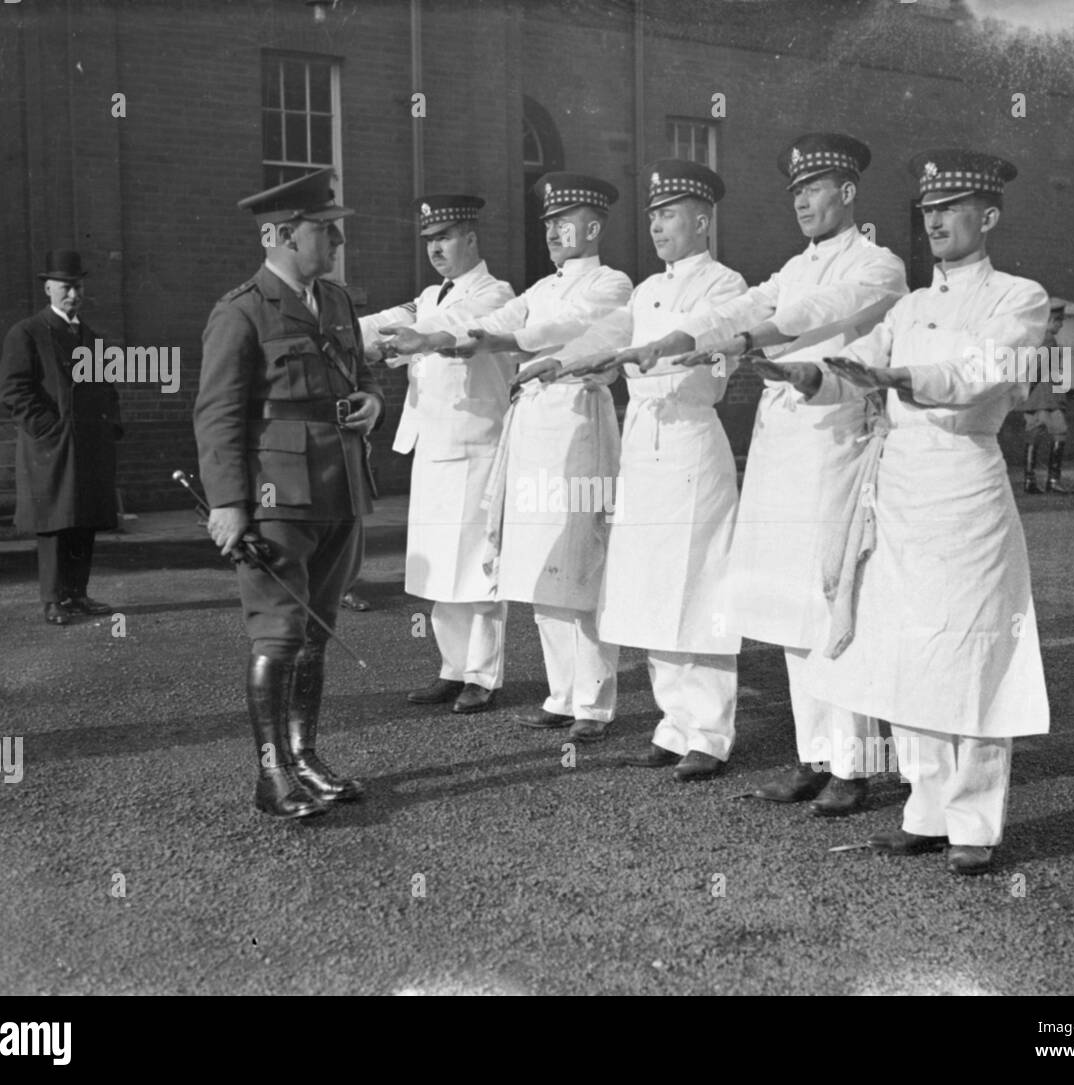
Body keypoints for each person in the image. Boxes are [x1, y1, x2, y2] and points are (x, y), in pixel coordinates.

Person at [778, 149, 1051, 875]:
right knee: (907, 650)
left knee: (966, 650)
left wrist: (901, 374)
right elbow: (858, 366)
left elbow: (983, 373)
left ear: (986, 217)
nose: (933, 221)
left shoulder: (1018, 298)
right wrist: (814, 374)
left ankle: (974, 821)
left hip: (965, 490)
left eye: (949, 209)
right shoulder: (910, 306)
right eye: (927, 211)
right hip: (897, 491)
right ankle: (926, 808)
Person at [623, 134, 908, 813]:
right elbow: (748, 304)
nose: (805, 200)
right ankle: (815, 755)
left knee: (832, 600)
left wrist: (749, 338)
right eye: (797, 191)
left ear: (848, 190)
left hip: (836, 443)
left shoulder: (878, 264)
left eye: (817, 187)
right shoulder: (793, 265)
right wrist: (683, 336)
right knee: (787, 604)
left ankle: (856, 761)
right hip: (783, 447)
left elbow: (811, 314)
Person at [382, 172, 632, 743]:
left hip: (580, 423)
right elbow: (502, 319)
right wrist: (447, 337)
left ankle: (593, 705)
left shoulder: (613, 283)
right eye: (547, 223)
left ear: (593, 226)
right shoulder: (541, 288)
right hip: (534, 431)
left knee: (579, 566)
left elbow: (562, 327)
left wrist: (492, 340)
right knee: (541, 570)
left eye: (563, 222)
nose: (552, 232)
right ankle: (561, 695)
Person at [546, 159, 746, 781]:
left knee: (697, 584)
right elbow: (609, 331)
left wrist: (651, 357)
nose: (657, 226)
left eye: (669, 214)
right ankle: (672, 723)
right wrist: (562, 360)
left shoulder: (725, 283)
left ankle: (709, 734)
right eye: (653, 215)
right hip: (643, 444)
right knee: (653, 585)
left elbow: (714, 353)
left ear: (703, 219)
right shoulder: (646, 290)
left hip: (689, 438)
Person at [194, 168, 384, 820]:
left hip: (339, 488)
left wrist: (374, 402)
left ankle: (304, 757)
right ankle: (271, 775)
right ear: (278, 234)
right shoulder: (242, 310)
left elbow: (358, 371)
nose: (334, 239)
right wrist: (228, 503)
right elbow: (217, 414)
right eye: (322, 230)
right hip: (276, 499)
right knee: (278, 634)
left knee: (316, 632)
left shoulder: (335, 301)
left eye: (333, 229)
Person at [361, 195, 515, 714]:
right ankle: (452, 668)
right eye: (429, 241)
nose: (436, 250)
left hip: (476, 443)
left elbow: (462, 325)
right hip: (433, 444)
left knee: (476, 563)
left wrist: (416, 338)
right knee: (438, 566)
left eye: (445, 238)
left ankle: (482, 676)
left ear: (471, 238)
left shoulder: (496, 292)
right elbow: (381, 322)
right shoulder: (428, 296)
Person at [0, 250, 121, 626]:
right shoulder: (28, 332)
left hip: (88, 445)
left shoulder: (89, 335)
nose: (73, 294)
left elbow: (107, 388)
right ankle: (53, 600)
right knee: (54, 521)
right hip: (51, 445)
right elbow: (12, 389)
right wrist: (47, 427)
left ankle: (77, 595)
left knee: (82, 519)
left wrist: (110, 426)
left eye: (78, 287)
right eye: (66, 287)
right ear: (48, 288)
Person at [1019, 298, 1074, 494]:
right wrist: (1061, 398)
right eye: (1058, 321)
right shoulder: (1048, 340)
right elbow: (1039, 369)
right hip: (1047, 398)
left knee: (1032, 436)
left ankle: (1029, 480)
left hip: (1033, 398)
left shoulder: (1034, 339)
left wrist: (1024, 393)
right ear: (1049, 320)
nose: (1060, 325)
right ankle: (1052, 480)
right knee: (1060, 432)